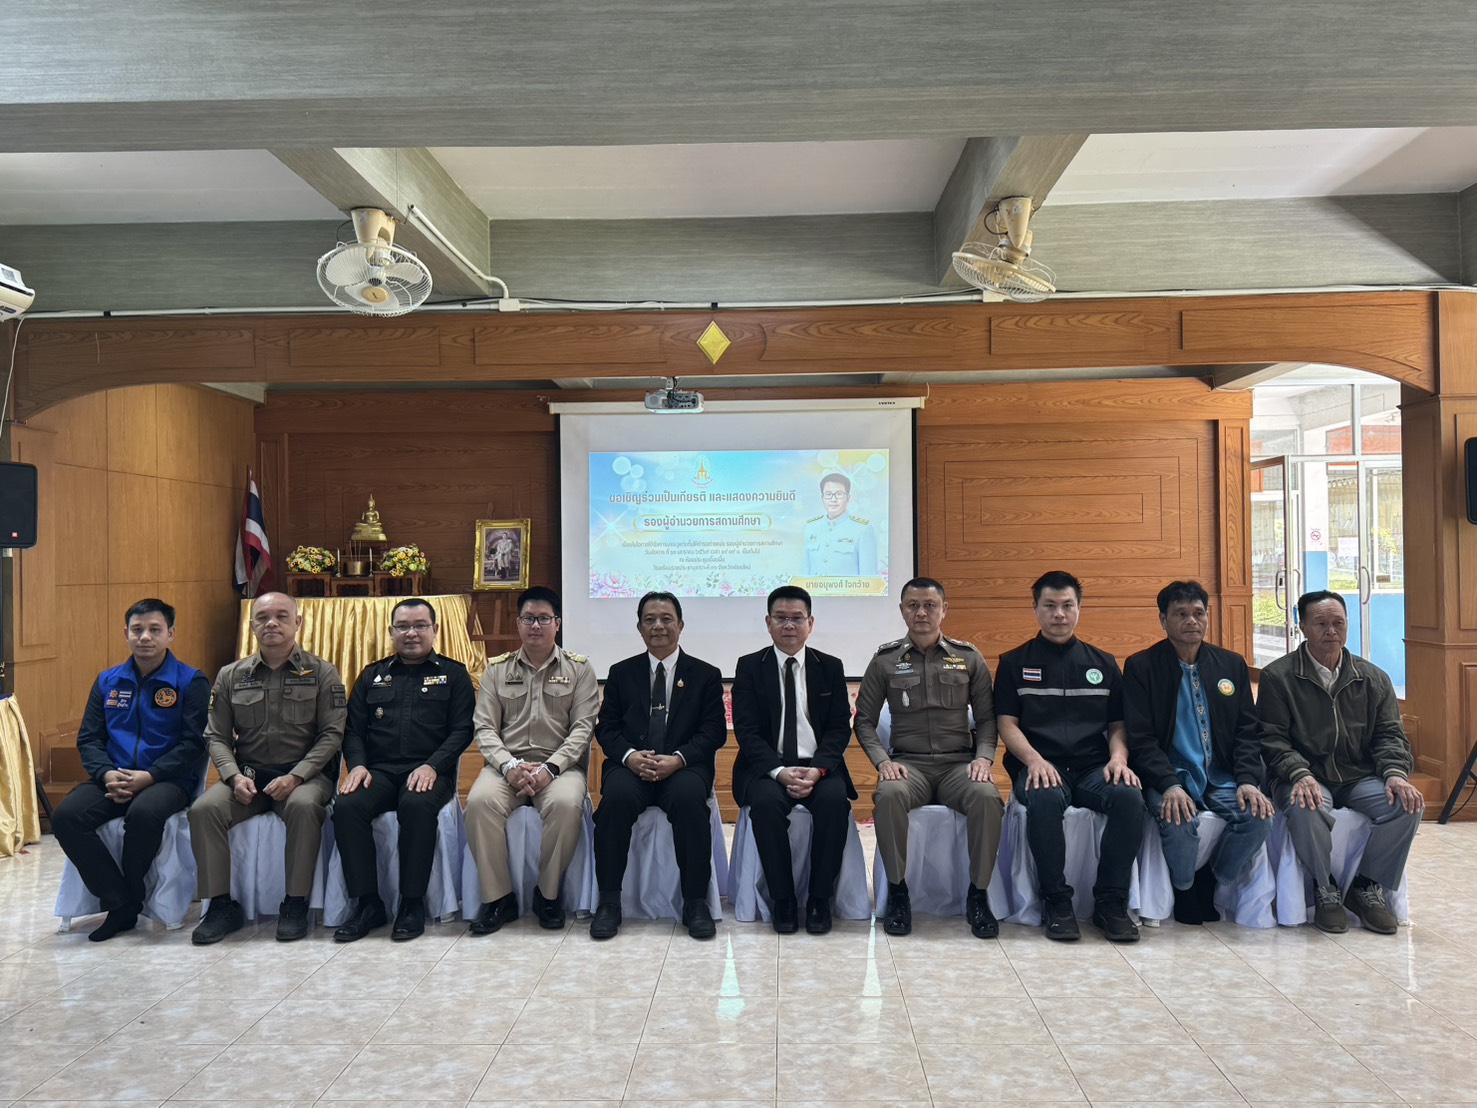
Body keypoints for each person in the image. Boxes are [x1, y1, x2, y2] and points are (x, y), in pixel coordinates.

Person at [1259, 590, 1424, 934]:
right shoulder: (1279, 677)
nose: (1331, 631)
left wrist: (1394, 773)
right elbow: (1271, 738)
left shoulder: (1372, 678)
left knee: (1407, 804)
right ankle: (1325, 889)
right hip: (1305, 774)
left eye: (1339, 623)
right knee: (1305, 805)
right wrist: (1298, 773)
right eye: (1321, 623)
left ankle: (1366, 886)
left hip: (1358, 776)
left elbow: (1390, 735)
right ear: (1303, 626)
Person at [187, 591, 346, 944]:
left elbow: (332, 735)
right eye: (262, 617)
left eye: (281, 616)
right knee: (204, 810)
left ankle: (295, 903)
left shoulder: (322, 672)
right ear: (252, 625)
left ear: (298, 623)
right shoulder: (231, 675)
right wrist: (233, 776)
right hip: (249, 779)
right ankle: (221, 906)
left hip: (305, 777)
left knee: (303, 806)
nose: (271, 623)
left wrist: (296, 776)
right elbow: (216, 736)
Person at [996, 571, 1145, 943]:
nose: (1059, 614)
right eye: (1050, 606)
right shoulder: (1014, 662)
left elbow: (1117, 724)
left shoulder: (1104, 663)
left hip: (1093, 768)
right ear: (1035, 609)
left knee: (1129, 798)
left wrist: (1118, 760)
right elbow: (1007, 724)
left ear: (1079, 608)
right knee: (1044, 798)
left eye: (1067, 605)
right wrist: (1034, 761)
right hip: (1041, 765)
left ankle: (1110, 903)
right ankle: (1056, 902)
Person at [51, 599, 210, 941]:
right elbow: (89, 738)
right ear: (126, 633)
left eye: (155, 629)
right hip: (114, 776)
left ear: (170, 634)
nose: (145, 637)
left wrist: (149, 777)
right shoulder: (108, 681)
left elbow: (193, 744)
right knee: (66, 817)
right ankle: (120, 902)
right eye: (137, 630)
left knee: (143, 814)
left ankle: (133, 894)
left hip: (167, 779)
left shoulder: (190, 681)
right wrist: (107, 774)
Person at [855, 577, 1002, 939]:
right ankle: (898, 893)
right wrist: (882, 762)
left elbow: (987, 719)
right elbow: (864, 721)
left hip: (958, 766)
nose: (921, 613)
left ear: (943, 610)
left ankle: (978, 894)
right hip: (910, 766)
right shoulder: (886, 660)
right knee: (888, 795)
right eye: (913, 606)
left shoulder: (968, 657)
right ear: (902, 610)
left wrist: (984, 758)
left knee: (987, 797)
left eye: (930, 605)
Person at [1124, 581, 1272, 924]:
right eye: (1180, 614)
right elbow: (1141, 738)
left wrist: (1248, 780)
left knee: (1259, 816)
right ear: (1163, 620)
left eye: (1198, 613)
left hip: (1221, 776)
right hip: (1169, 774)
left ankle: (1212, 880)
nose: (1192, 621)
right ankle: (1185, 888)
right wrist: (1169, 784)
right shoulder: (1142, 667)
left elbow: (1246, 731)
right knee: (1178, 819)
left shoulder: (1231, 665)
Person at [331, 598, 475, 942]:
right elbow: (353, 731)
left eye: (420, 626)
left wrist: (433, 765)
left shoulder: (454, 675)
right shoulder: (372, 675)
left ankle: (412, 903)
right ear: (391, 631)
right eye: (404, 626)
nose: (412, 633)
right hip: (378, 772)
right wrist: (358, 766)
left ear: (435, 630)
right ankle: (368, 903)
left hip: (430, 771)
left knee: (415, 805)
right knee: (347, 806)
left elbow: (462, 731)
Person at [590, 591, 727, 940]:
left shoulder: (706, 674)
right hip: (631, 767)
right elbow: (607, 728)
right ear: (639, 627)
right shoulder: (621, 673)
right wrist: (630, 757)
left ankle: (695, 903)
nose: (658, 626)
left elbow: (713, 731)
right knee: (615, 800)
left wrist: (678, 759)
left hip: (683, 767)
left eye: (667, 619)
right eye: (649, 619)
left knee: (689, 801)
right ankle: (609, 902)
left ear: (681, 625)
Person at [464, 586, 597, 934]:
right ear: (518, 623)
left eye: (543, 619)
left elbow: (583, 729)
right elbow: (485, 727)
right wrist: (508, 766)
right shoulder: (496, 670)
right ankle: (498, 899)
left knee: (567, 804)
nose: (535, 626)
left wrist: (551, 768)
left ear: (557, 624)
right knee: (479, 802)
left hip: (559, 768)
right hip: (505, 767)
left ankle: (547, 896)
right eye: (528, 618)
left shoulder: (580, 670)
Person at [730, 586, 856, 935]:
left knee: (834, 803)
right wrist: (779, 772)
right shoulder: (750, 667)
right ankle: (782, 899)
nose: (789, 625)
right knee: (766, 805)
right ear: (768, 622)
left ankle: (819, 899)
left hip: (818, 765)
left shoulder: (829, 666)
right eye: (781, 618)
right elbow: (747, 730)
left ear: (810, 623)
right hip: (768, 768)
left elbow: (838, 727)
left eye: (797, 618)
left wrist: (817, 770)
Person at [803, 472, 879, 577]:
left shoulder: (863, 529)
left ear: (848, 498)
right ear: (822, 498)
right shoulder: (811, 527)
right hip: (814, 588)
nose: (833, 499)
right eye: (828, 494)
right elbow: (804, 572)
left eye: (839, 494)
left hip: (849, 588)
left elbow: (868, 577)